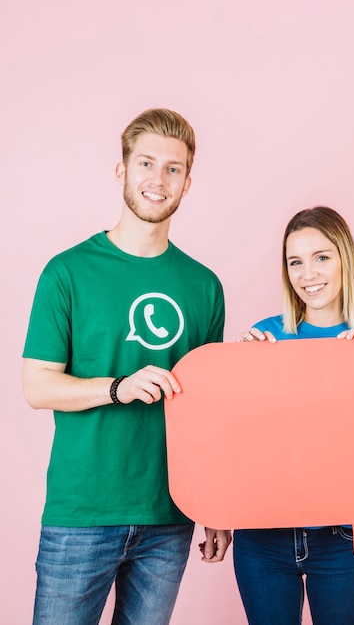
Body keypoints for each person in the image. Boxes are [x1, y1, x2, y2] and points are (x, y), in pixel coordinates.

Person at [22, 108, 231, 625]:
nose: (157, 180)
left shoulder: (204, 287)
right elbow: (36, 385)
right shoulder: (67, 272)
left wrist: (216, 504)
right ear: (122, 171)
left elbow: (206, 410)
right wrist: (117, 387)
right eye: (146, 163)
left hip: (169, 517)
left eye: (173, 169)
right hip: (82, 516)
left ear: (187, 182)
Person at [231, 206, 354, 625]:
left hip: (341, 538)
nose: (308, 274)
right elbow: (235, 441)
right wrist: (240, 373)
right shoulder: (264, 337)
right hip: (261, 536)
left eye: (321, 257)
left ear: (345, 259)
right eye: (295, 262)